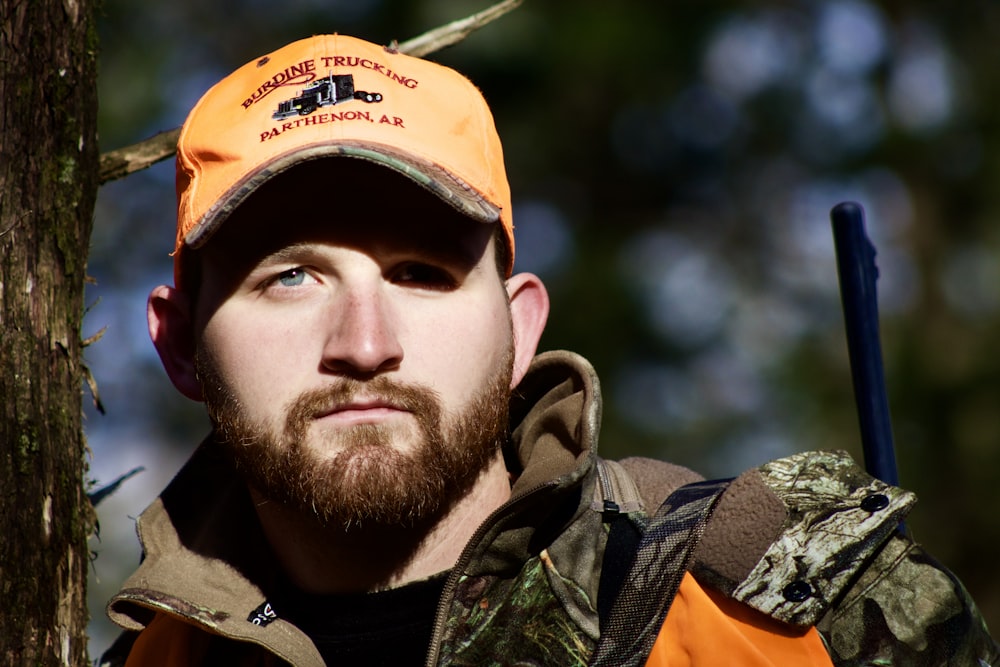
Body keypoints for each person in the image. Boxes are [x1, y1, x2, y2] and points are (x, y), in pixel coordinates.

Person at [101, 34, 998, 666]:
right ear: (179, 343)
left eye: (421, 272)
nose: (364, 345)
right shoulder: (146, 659)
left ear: (521, 328)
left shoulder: (793, 618)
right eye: (290, 277)